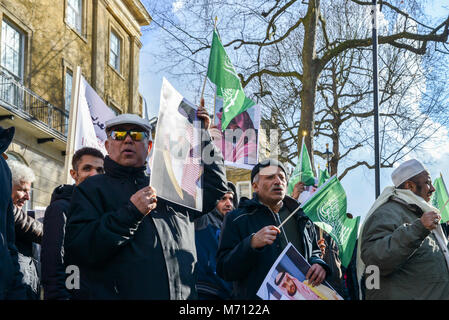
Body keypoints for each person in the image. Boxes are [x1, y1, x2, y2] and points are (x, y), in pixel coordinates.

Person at [64, 107, 228, 299]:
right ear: (107, 146)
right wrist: (131, 213)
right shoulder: (91, 189)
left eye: (136, 134)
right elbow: (80, 249)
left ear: (149, 147)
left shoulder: (171, 185)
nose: (127, 139)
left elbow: (216, 186)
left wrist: (202, 138)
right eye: (118, 135)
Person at [216, 159, 330, 299]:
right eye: (270, 177)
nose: (277, 181)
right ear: (255, 186)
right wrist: (251, 244)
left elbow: (314, 252)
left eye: (282, 177)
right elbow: (224, 269)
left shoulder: (301, 217)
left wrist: (319, 264)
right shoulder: (236, 218)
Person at [358, 159, 449, 299]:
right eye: (427, 183)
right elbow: (374, 260)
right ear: (410, 186)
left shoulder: (418, 213)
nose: (432, 188)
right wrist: (418, 229)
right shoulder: (386, 213)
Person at [41, 147, 104, 300]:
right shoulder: (60, 209)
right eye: (87, 168)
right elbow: (53, 264)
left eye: (100, 170)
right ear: (74, 174)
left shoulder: (105, 211)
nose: (94, 174)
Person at [194, 182, 237, 300]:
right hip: (206, 291)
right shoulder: (203, 219)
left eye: (231, 199)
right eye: (223, 199)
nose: (229, 204)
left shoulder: (233, 226)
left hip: (228, 293)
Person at [8, 160, 42, 300]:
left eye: (29, 191)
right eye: (22, 190)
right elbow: (30, 226)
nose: (27, 197)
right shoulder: (9, 213)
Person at [0, 126, 26, 299]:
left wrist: (16, 284)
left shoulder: (3, 167)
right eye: (23, 190)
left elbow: (8, 238)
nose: (27, 197)